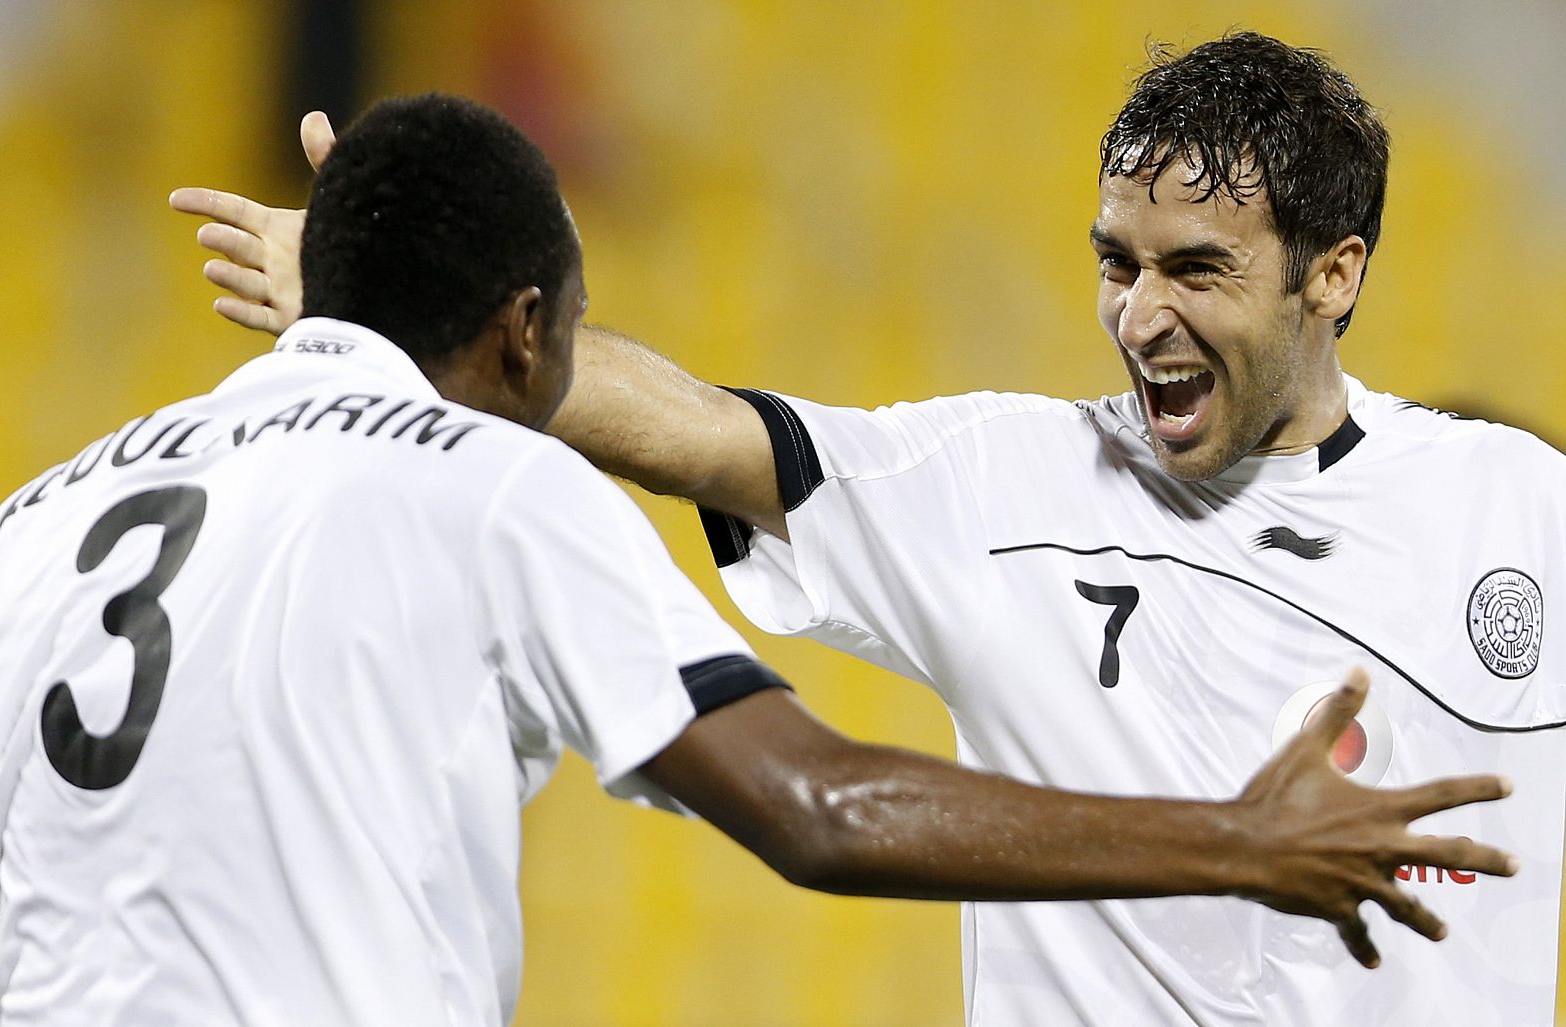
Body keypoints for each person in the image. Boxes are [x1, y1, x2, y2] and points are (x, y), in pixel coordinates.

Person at [159, 32, 1549, 1021]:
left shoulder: (1516, 512)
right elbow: (699, 429)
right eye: (1115, 265)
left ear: (1334, 275)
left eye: (1198, 270)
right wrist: (409, 311)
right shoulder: (1011, 481)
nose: (1139, 316)